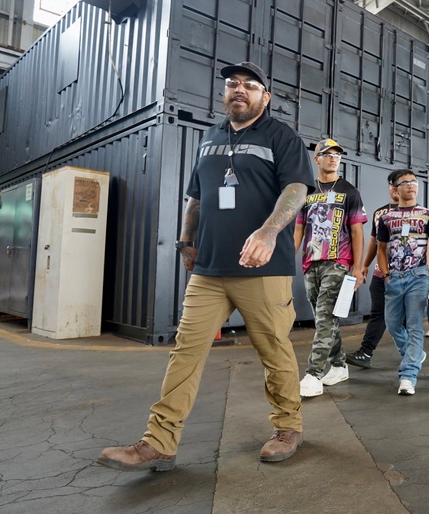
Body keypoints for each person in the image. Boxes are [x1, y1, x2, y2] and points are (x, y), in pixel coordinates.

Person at [97, 61, 315, 471]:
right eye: (233, 84)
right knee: (185, 352)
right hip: (210, 268)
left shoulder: (280, 136)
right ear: (224, 93)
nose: (240, 89)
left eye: (251, 86)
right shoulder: (209, 137)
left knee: (274, 351)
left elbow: (297, 187)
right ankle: (158, 441)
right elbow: (196, 196)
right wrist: (185, 242)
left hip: (264, 269)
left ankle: (287, 427)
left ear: (265, 98)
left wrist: (268, 233)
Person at [295, 138, 367, 398]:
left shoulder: (349, 191)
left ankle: (313, 373)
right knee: (324, 318)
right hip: (310, 262)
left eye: (337, 154)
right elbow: (299, 229)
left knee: (325, 315)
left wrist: (358, 268)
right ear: (317, 159)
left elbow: (357, 231)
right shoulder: (307, 191)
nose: (334, 158)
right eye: (328, 154)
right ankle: (339, 365)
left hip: (338, 261)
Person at [376, 169, 429, 395]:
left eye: (414, 181)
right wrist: (386, 275)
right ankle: (414, 353)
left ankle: (408, 375)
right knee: (392, 323)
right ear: (395, 189)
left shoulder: (428, 215)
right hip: (394, 277)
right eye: (405, 182)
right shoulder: (386, 218)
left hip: (418, 276)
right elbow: (380, 249)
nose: (411, 185)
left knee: (415, 325)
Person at [345, 185, 399, 369]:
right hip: (380, 272)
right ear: (391, 187)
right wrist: (365, 264)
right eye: (395, 185)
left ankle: (412, 353)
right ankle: (365, 352)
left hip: (407, 275)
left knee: (406, 318)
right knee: (378, 313)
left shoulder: (419, 213)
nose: (398, 189)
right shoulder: (380, 212)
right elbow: (374, 242)